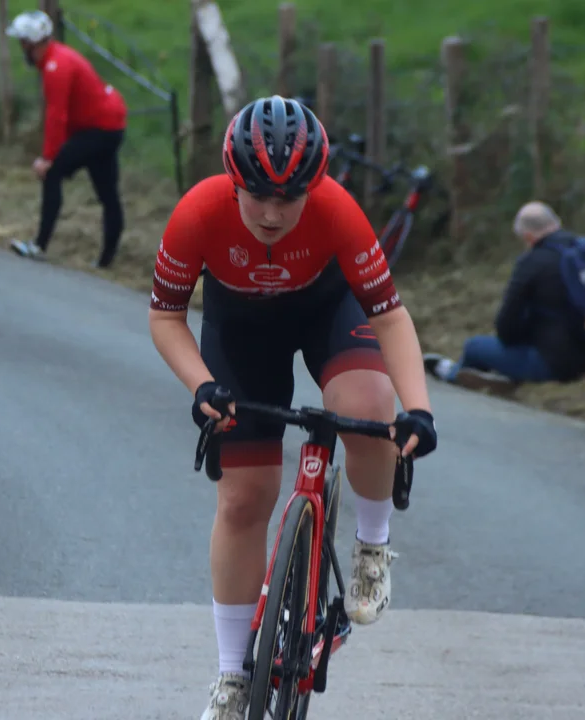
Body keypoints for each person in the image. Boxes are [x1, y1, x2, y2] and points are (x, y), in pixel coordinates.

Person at [146, 95, 438, 720]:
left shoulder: (337, 210)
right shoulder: (197, 212)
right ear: (233, 181)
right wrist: (202, 387)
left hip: (325, 311)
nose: (273, 214)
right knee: (244, 498)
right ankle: (232, 676)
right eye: (258, 196)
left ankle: (371, 545)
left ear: (315, 186)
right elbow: (166, 317)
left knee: (368, 405)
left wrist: (419, 409)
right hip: (241, 332)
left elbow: (390, 318)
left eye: (290, 197)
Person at [423, 201, 585, 393]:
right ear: (556, 223)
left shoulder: (531, 262)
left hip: (560, 365)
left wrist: (527, 333)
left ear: (528, 237)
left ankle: (452, 373)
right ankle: (493, 374)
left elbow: (506, 328)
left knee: (474, 346)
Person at [4, 10, 127, 269]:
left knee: (52, 173)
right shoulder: (57, 56)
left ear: (31, 43)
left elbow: (56, 116)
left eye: (22, 43)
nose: (21, 49)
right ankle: (106, 261)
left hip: (100, 128)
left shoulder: (55, 68)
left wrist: (48, 157)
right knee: (108, 194)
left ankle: (39, 245)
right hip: (108, 125)